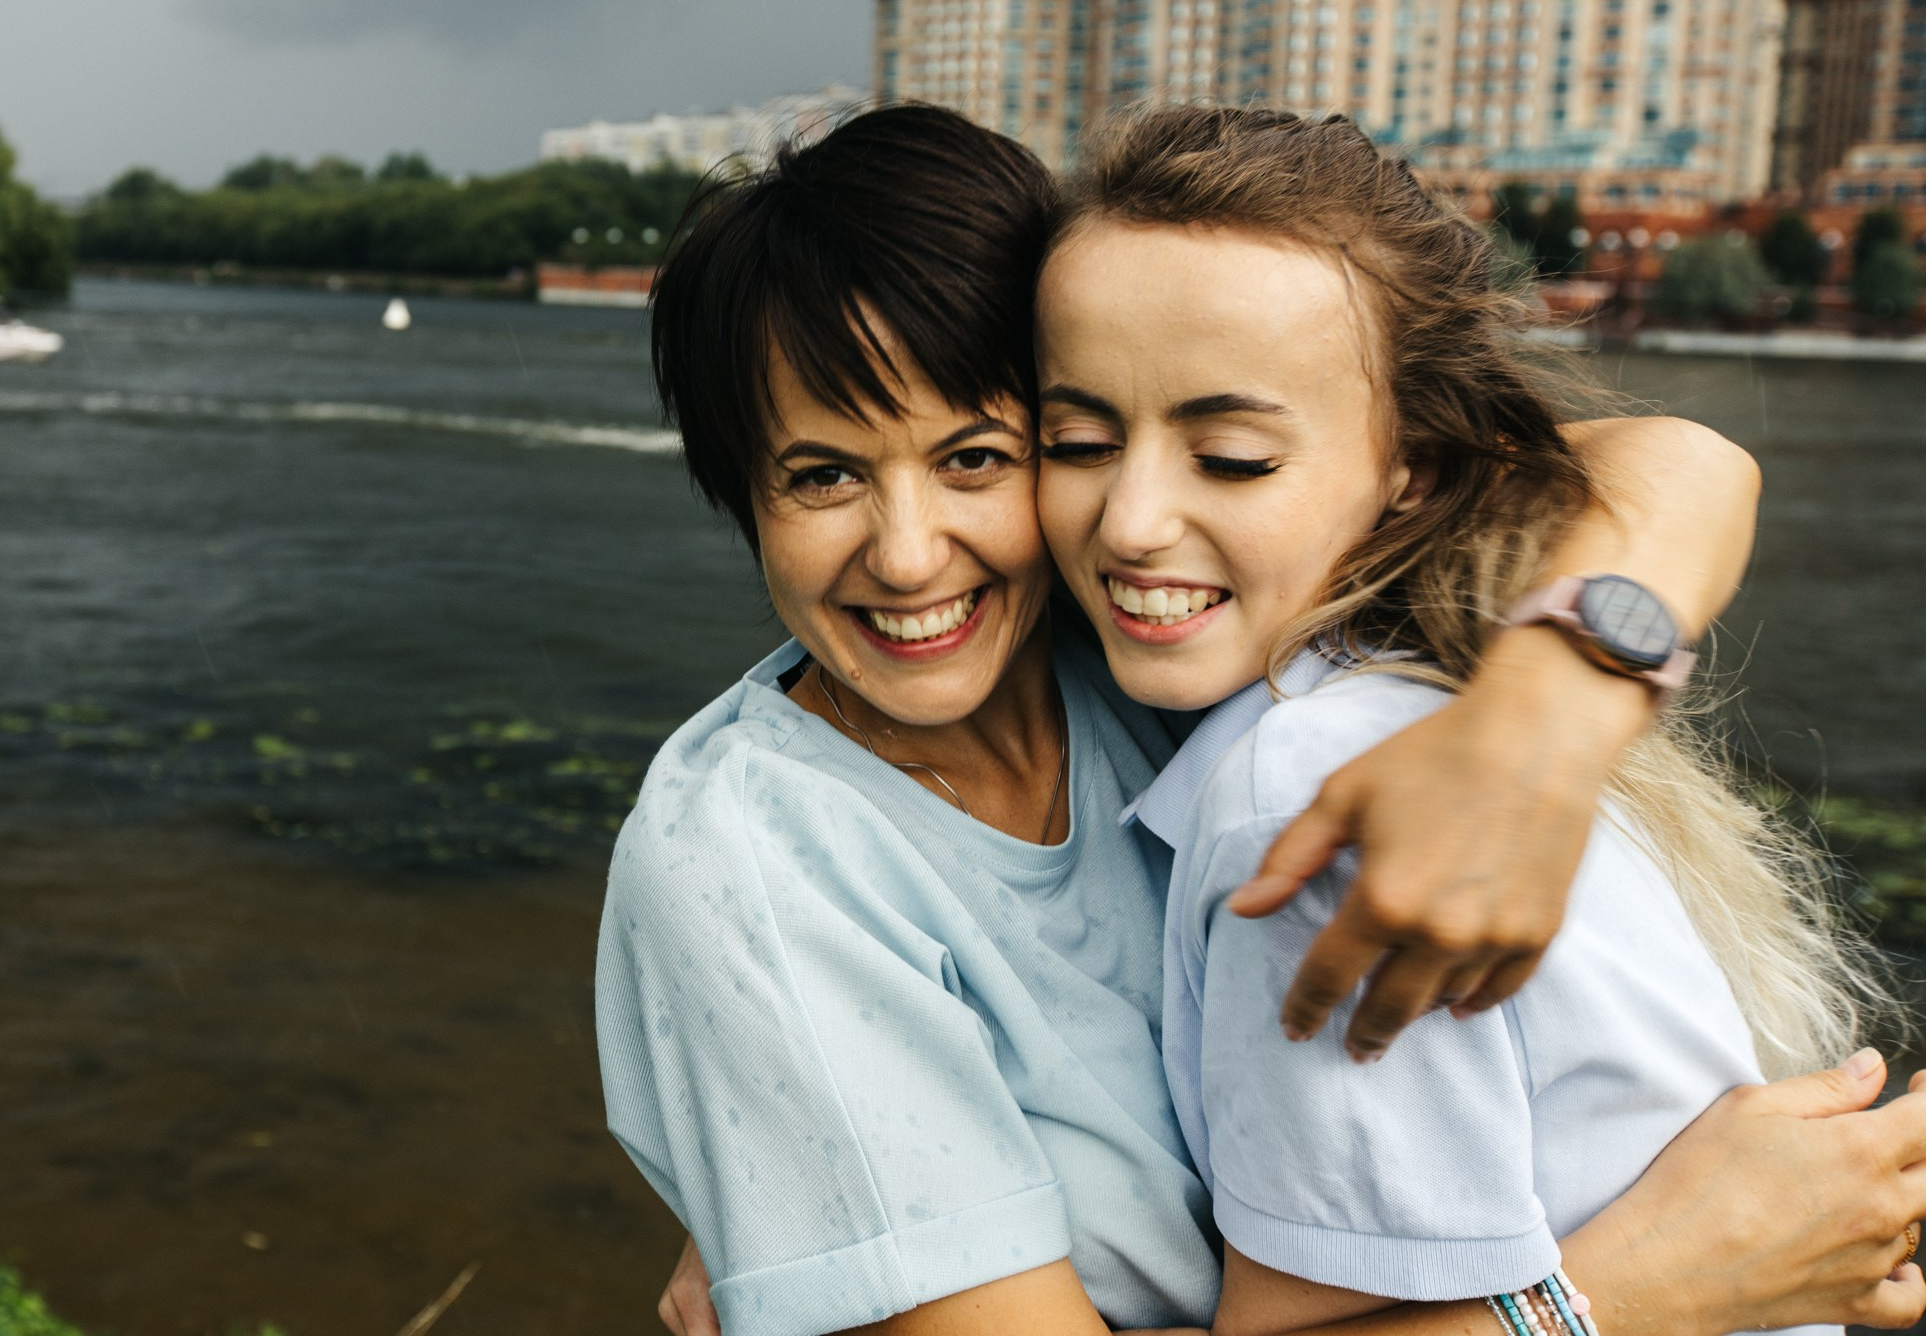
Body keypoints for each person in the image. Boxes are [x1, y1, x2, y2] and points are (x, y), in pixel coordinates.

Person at [597, 105, 1926, 1336]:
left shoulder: (1142, 635)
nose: (905, 553)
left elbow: (1679, 462)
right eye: (820, 475)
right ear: (743, 493)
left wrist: (1538, 727)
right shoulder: (756, 868)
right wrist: (1661, 1278)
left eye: (980, 457)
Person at [1033, 104, 1896, 1336]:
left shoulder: (1303, 796)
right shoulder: (1424, 682)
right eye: (1075, 440)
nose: (1130, 521)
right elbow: (1679, 461)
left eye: (1231, 457)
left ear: (1416, 471)